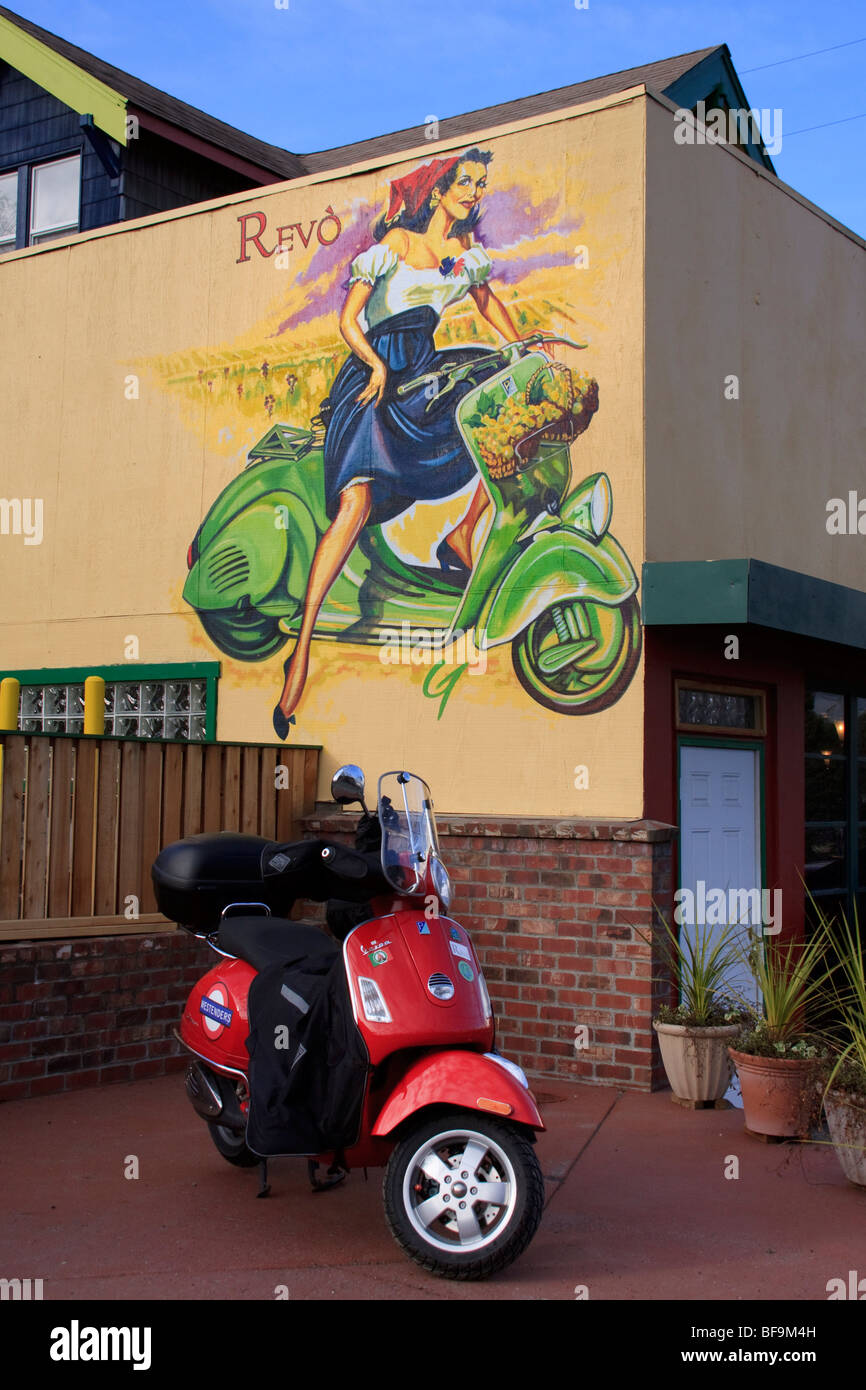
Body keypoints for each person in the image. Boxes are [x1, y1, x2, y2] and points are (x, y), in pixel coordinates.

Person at [273, 147, 521, 738]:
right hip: (373, 377)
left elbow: (490, 306)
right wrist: (374, 366)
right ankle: (302, 648)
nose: (473, 192)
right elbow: (349, 321)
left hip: (423, 375)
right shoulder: (391, 250)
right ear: (439, 191)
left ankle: (461, 532)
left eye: (480, 184)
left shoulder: (463, 257)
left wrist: (526, 347)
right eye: (465, 182)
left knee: (502, 396)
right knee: (355, 505)